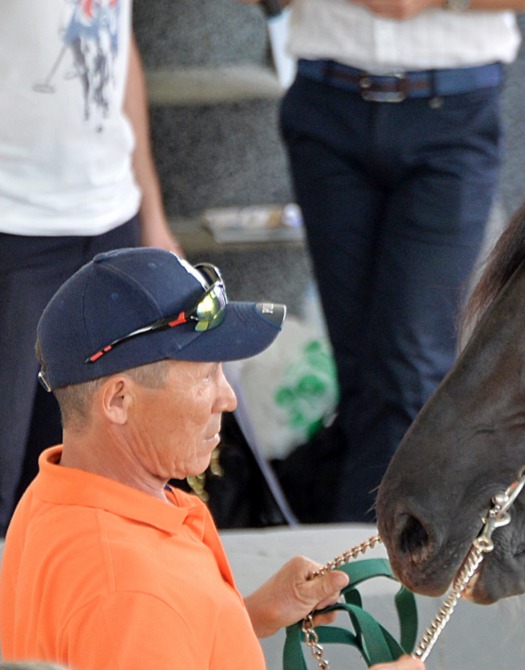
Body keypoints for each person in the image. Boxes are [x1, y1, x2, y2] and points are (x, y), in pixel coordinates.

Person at [0, 248, 422, 670]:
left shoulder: (51, 499)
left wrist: (245, 614)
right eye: (205, 376)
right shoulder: (132, 592)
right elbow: (137, 617)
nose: (229, 397)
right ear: (119, 399)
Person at [245, 0, 525, 522]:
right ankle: (364, 559)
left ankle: (370, 564)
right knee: (357, 372)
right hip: (325, 100)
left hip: (452, 110)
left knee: (410, 367)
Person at [0, 0, 182, 536]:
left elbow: (119, 49)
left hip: (112, 220)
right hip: (15, 224)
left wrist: (152, 213)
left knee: (96, 476)